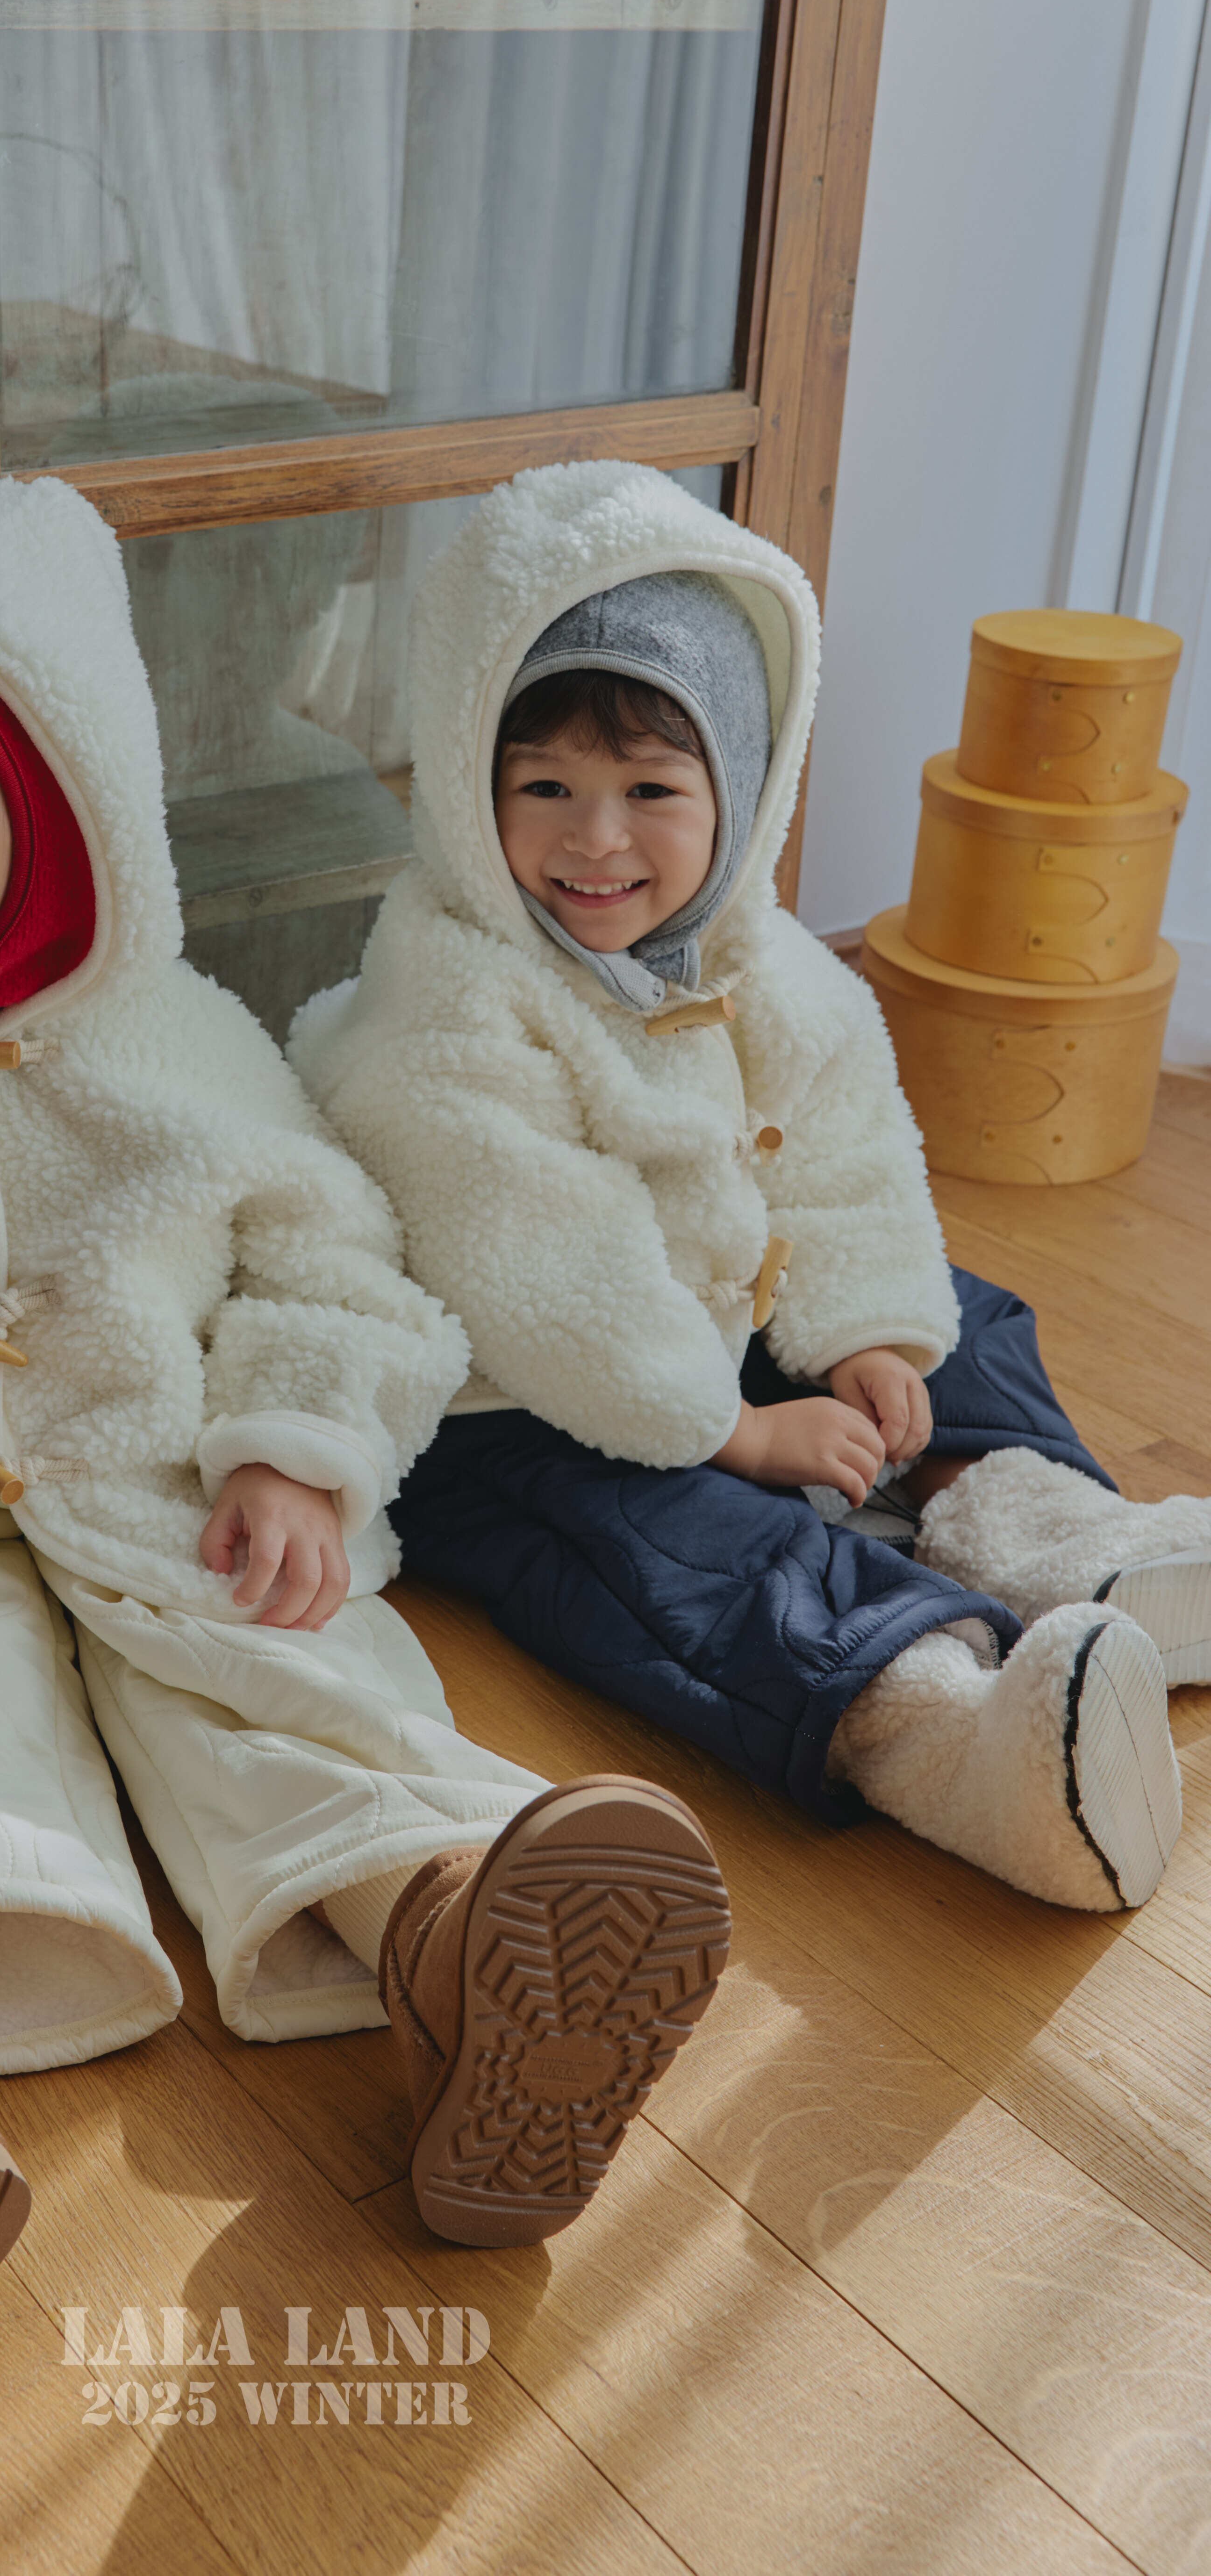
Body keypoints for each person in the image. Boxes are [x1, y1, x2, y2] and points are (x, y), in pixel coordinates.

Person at [0, 474, 731, 2320]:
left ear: (60, 806)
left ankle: (464, 1949)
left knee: (292, 1699)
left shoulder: (184, 1049)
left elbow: (335, 1266)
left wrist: (298, 1456)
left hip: (174, 1494)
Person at [293, 458, 1211, 1917]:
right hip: (517, 1395)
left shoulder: (756, 958)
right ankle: (941, 1723)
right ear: (472, 795)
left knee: (959, 1315)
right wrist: (737, 1434)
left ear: (743, 790)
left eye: (652, 791)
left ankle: (1039, 1527)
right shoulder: (444, 1009)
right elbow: (548, 1272)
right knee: (666, 1544)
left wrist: (867, 1338)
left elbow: (846, 1158)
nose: (596, 840)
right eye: (545, 789)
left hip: (702, 1307)